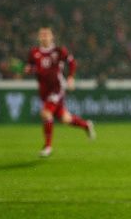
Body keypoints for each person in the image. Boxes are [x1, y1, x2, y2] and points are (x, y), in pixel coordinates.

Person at [25, 27, 95, 157]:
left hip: (57, 89)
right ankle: (86, 125)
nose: (44, 37)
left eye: (47, 34)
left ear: (52, 37)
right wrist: (28, 69)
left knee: (46, 114)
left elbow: (72, 62)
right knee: (65, 119)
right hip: (44, 92)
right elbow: (30, 67)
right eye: (42, 34)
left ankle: (47, 146)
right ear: (38, 37)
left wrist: (70, 77)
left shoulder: (59, 51)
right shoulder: (34, 53)